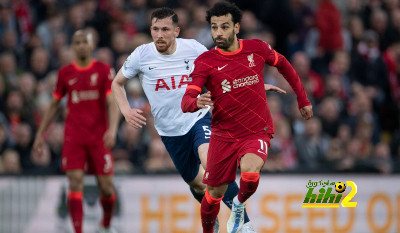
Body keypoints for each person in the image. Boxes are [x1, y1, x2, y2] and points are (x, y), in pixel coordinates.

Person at [112, 7, 285, 233]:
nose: (159, 35)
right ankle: (210, 215)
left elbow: (224, 70)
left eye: (165, 29)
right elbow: (117, 83)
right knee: (197, 183)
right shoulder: (141, 55)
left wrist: (255, 85)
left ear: (176, 31)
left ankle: (243, 224)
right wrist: (125, 110)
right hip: (170, 132)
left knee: (213, 165)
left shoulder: (193, 48)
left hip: (198, 118)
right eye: (155, 29)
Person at [181, 2, 313, 233]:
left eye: (224, 27)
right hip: (223, 135)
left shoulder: (257, 48)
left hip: (256, 130)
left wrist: (302, 100)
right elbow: (187, 99)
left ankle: (239, 207)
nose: (218, 33)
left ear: (237, 27)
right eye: (214, 28)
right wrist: (195, 102)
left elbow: (284, 65)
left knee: (250, 175)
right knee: (213, 196)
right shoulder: (206, 61)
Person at [33, 30, 120, 233]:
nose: (81, 45)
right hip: (74, 136)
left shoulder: (103, 70)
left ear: (91, 46)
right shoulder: (65, 73)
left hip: (99, 136)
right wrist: (40, 134)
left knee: (106, 187)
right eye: (77, 42)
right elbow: (54, 105)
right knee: (74, 182)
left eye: (84, 42)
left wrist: (113, 129)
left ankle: (106, 225)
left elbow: (112, 102)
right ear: (73, 47)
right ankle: (78, 230)